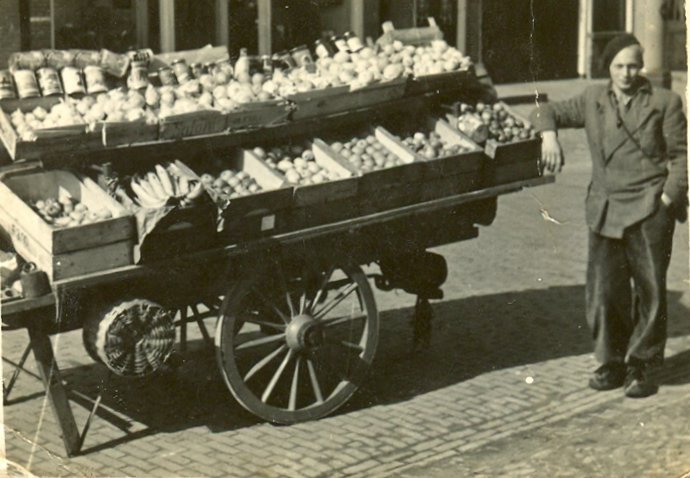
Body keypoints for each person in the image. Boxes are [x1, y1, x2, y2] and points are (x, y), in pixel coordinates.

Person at [529, 33, 688, 398]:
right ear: (608, 67)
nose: (626, 73)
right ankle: (612, 362)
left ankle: (642, 366)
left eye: (633, 66)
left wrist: (667, 199)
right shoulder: (592, 99)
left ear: (641, 66)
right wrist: (549, 135)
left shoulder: (664, 102)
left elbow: (681, 157)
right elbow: (543, 109)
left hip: (649, 208)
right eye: (619, 66)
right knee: (605, 292)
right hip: (605, 208)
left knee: (650, 292)